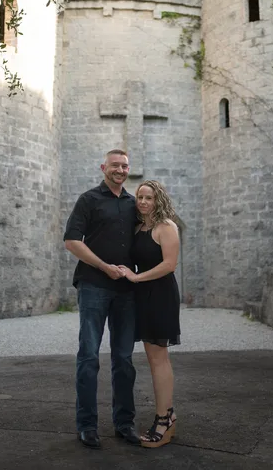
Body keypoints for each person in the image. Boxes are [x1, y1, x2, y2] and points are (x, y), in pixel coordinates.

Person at [63, 149, 140, 449]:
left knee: (123, 359)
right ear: (103, 167)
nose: (120, 170)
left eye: (124, 166)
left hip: (126, 291)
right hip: (94, 285)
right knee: (89, 357)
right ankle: (87, 425)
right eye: (114, 165)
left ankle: (124, 423)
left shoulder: (135, 204)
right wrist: (104, 267)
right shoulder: (89, 200)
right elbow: (72, 241)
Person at [119, 180, 180, 448]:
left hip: (160, 295)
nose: (143, 201)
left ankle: (164, 420)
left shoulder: (166, 226)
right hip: (143, 295)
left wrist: (136, 277)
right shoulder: (139, 227)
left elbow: (169, 265)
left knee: (159, 359)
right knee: (153, 357)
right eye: (140, 197)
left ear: (159, 200)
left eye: (149, 197)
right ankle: (168, 415)